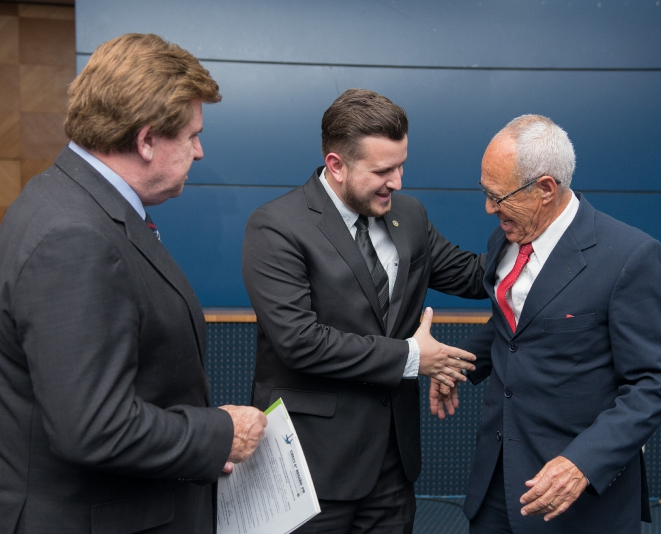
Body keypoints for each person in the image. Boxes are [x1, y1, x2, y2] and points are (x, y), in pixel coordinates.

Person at [0, 34, 267, 534]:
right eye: (191, 135)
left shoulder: (67, 198)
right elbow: (93, 427)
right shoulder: (75, 236)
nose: (200, 151)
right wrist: (220, 435)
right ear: (146, 141)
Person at [242, 88, 487, 533]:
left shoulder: (409, 214)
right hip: (311, 467)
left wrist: (536, 225)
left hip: (393, 466)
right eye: (382, 171)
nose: (398, 182)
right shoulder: (276, 227)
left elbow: (472, 275)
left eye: (401, 165)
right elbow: (300, 342)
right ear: (336, 165)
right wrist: (412, 357)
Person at [431, 115, 661, 533]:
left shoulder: (630, 257)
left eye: (498, 196)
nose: (489, 208)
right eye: (485, 192)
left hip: (576, 495)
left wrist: (582, 463)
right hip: (496, 481)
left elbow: (655, 382)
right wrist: (455, 363)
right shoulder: (505, 238)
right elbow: (515, 328)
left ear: (545, 189)